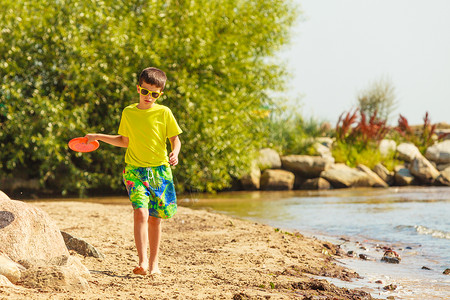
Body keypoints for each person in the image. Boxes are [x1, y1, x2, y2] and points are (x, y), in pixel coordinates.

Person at [84, 67, 182, 275]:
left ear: (160, 94)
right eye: (145, 91)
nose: (149, 97)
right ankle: (143, 262)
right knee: (140, 212)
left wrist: (175, 152)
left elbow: (175, 139)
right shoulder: (128, 112)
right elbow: (124, 141)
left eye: (154, 94)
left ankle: (155, 265)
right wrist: (99, 137)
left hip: (160, 172)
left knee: (155, 218)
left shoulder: (164, 113)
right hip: (134, 171)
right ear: (139, 88)